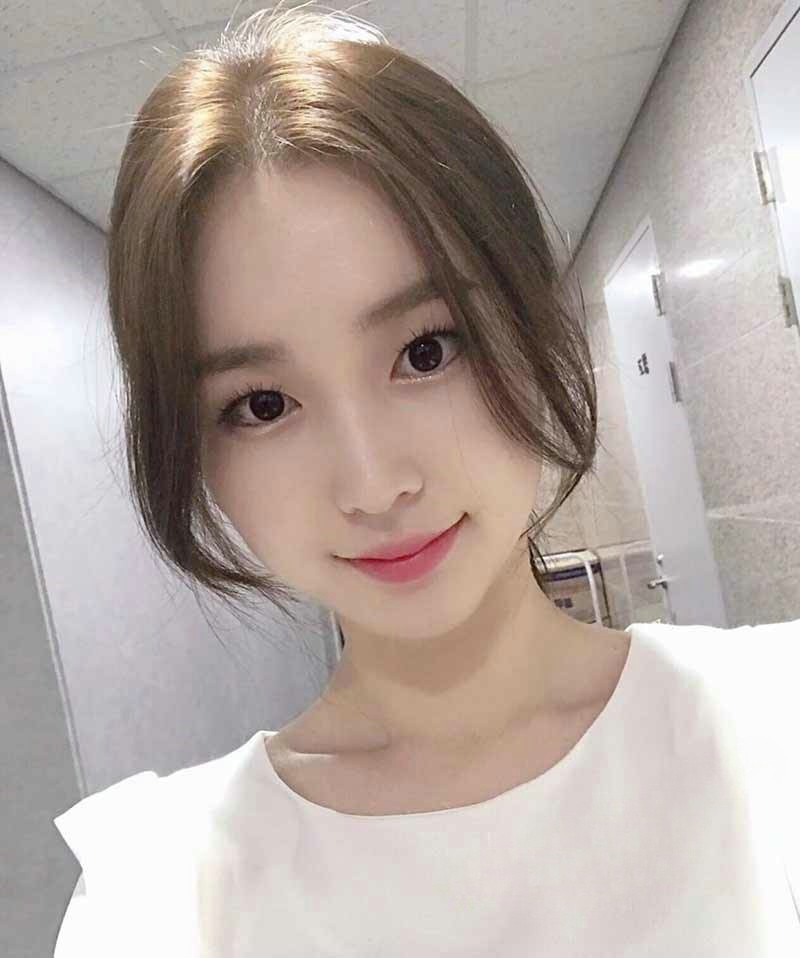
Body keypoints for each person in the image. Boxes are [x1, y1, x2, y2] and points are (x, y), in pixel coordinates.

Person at [52, 3, 800, 955]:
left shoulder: (777, 725)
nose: (372, 485)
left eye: (427, 350)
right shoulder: (159, 897)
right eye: (263, 405)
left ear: (531, 323)